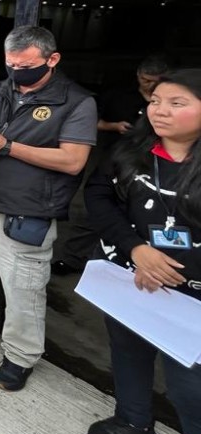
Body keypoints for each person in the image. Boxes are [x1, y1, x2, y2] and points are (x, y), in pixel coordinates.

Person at [0, 26, 97, 392]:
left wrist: (7, 146)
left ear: (52, 59)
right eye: (10, 63)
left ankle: (21, 354)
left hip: (27, 210)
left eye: (25, 65)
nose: (16, 71)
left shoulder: (76, 102)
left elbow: (73, 161)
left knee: (23, 288)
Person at [83, 69, 201, 434]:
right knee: (128, 353)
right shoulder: (131, 150)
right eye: (155, 102)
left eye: (176, 103)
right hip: (129, 279)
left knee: (190, 390)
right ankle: (134, 420)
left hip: (191, 300)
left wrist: (174, 269)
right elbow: (99, 196)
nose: (160, 111)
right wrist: (137, 250)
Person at [54, 54, 171, 276]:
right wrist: (113, 126)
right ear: (138, 76)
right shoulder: (119, 96)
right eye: (146, 80)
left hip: (156, 168)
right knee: (94, 213)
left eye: (156, 80)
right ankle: (73, 260)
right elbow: (89, 122)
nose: (151, 85)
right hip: (116, 162)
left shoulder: (169, 105)